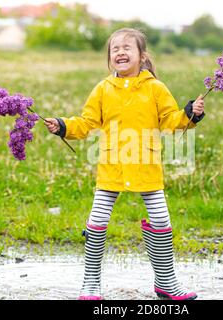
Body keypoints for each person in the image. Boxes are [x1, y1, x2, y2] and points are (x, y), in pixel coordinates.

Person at [44, 28, 205, 300]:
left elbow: (170, 121)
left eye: (127, 48)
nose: (120, 52)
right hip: (111, 168)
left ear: (142, 56)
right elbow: (86, 123)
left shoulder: (155, 87)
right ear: (109, 58)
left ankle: (166, 283)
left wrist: (190, 114)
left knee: (162, 222)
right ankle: (91, 285)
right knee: (96, 222)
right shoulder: (103, 89)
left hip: (146, 167)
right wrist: (63, 126)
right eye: (114, 48)